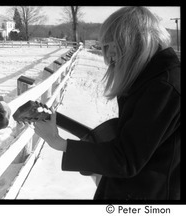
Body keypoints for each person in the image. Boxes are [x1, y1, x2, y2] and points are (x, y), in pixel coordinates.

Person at [34, 6, 180, 200]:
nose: (109, 57)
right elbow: (135, 141)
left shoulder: (163, 87)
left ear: (136, 43)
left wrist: (58, 142)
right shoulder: (151, 79)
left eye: (113, 47)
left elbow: (126, 159)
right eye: (105, 48)